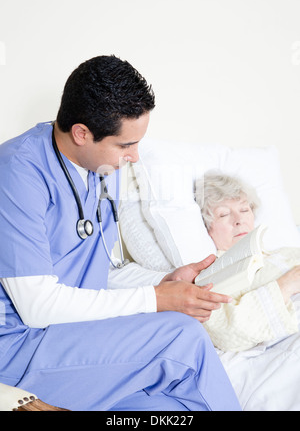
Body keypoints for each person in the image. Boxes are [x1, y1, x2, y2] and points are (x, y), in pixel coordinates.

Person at [0, 56, 241, 411]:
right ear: (82, 133)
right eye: (126, 145)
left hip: (71, 337)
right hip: (19, 348)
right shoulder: (18, 172)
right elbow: (37, 306)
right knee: (181, 336)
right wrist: (157, 300)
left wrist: (164, 282)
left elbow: (99, 275)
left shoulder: (100, 168)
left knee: (165, 408)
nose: (135, 156)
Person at [195, 171, 300, 352]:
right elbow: (227, 333)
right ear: (206, 226)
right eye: (223, 214)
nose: (239, 220)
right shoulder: (212, 278)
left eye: (244, 210)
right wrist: (285, 286)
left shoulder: (287, 253)